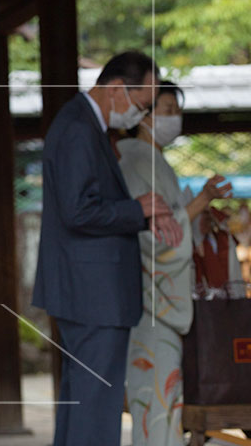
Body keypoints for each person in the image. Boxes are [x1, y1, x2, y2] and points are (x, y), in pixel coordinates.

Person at [33, 51, 178, 446]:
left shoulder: (83, 125)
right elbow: (78, 210)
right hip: (92, 292)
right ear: (116, 89)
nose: (139, 114)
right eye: (141, 105)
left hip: (88, 289)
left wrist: (139, 214)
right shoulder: (78, 128)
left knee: (84, 402)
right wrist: (137, 209)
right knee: (96, 407)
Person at [117, 81, 235, 446]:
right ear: (143, 115)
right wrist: (201, 201)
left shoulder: (154, 160)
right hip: (151, 301)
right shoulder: (135, 160)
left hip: (162, 300)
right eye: (166, 110)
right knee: (156, 400)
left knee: (164, 401)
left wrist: (201, 219)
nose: (175, 118)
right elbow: (155, 238)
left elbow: (176, 229)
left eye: (176, 110)